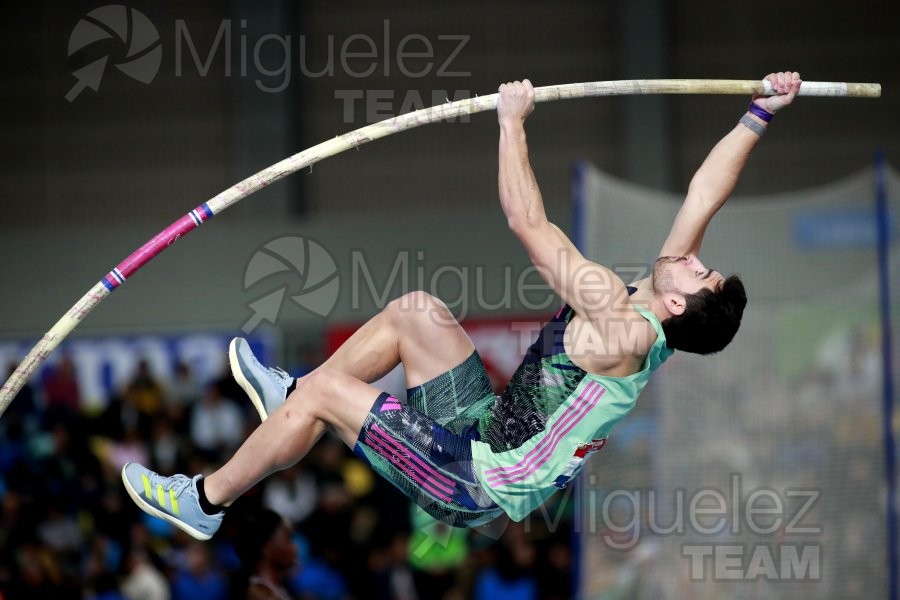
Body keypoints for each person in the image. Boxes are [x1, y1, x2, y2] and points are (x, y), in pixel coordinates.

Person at [121, 72, 801, 540]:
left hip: (476, 483)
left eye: (699, 269)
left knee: (326, 393)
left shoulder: (620, 322)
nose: (691, 254)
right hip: (486, 430)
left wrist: (512, 123)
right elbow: (704, 194)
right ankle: (291, 401)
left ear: (680, 302)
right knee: (416, 312)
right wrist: (760, 112)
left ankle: (206, 500)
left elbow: (527, 222)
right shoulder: (656, 306)